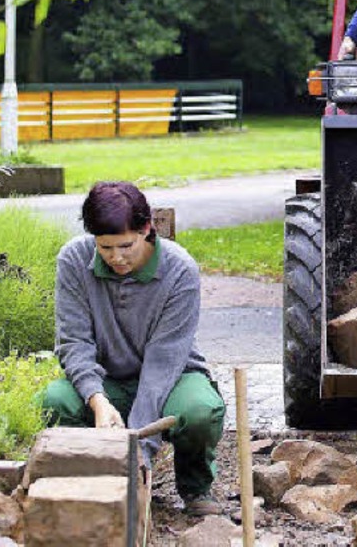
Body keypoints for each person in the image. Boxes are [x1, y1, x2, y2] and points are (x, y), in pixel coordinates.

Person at [39, 181, 226, 517]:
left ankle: (195, 487)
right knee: (55, 401)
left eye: (125, 245)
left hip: (172, 378)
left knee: (199, 410)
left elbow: (163, 363)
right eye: (105, 248)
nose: (116, 258)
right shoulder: (73, 260)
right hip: (108, 380)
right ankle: (92, 483)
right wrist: (98, 401)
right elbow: (74, 343)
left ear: (146, 229)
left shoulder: (180, 270)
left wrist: (138, 450)